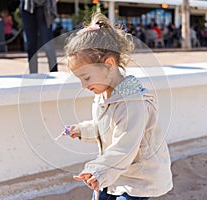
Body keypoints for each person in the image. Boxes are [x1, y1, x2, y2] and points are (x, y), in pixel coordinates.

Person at [62, 13, 173, 200]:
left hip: (138, 179)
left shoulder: (133, 102)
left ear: (109, 64)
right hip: (114, 171)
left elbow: (125, 146)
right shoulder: (103, 93)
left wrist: (97, 170)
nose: (83, 85)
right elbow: (105, 126)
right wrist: (82, 130)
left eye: (86, 77)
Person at [20, 0, 58, 73]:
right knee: (31, 45)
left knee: (48, 43)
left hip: (44, 5)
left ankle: (55, 73)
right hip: (27, 5)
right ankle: (33, 75)